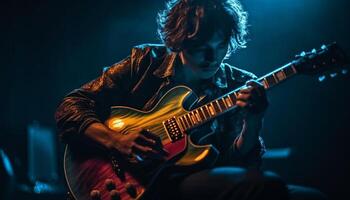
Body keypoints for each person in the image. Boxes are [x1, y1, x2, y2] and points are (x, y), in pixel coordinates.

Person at [55, 0, 327, 199]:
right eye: (201, 48)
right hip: (136, 178)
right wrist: (116, 139)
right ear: (179, 40)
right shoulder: (145, 61)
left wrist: (253, 122)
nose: (212, 58)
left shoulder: (239, 84)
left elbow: (241, 164)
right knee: (266, 186)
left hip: (196, 177)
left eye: (220, 46)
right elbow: (71, 106)